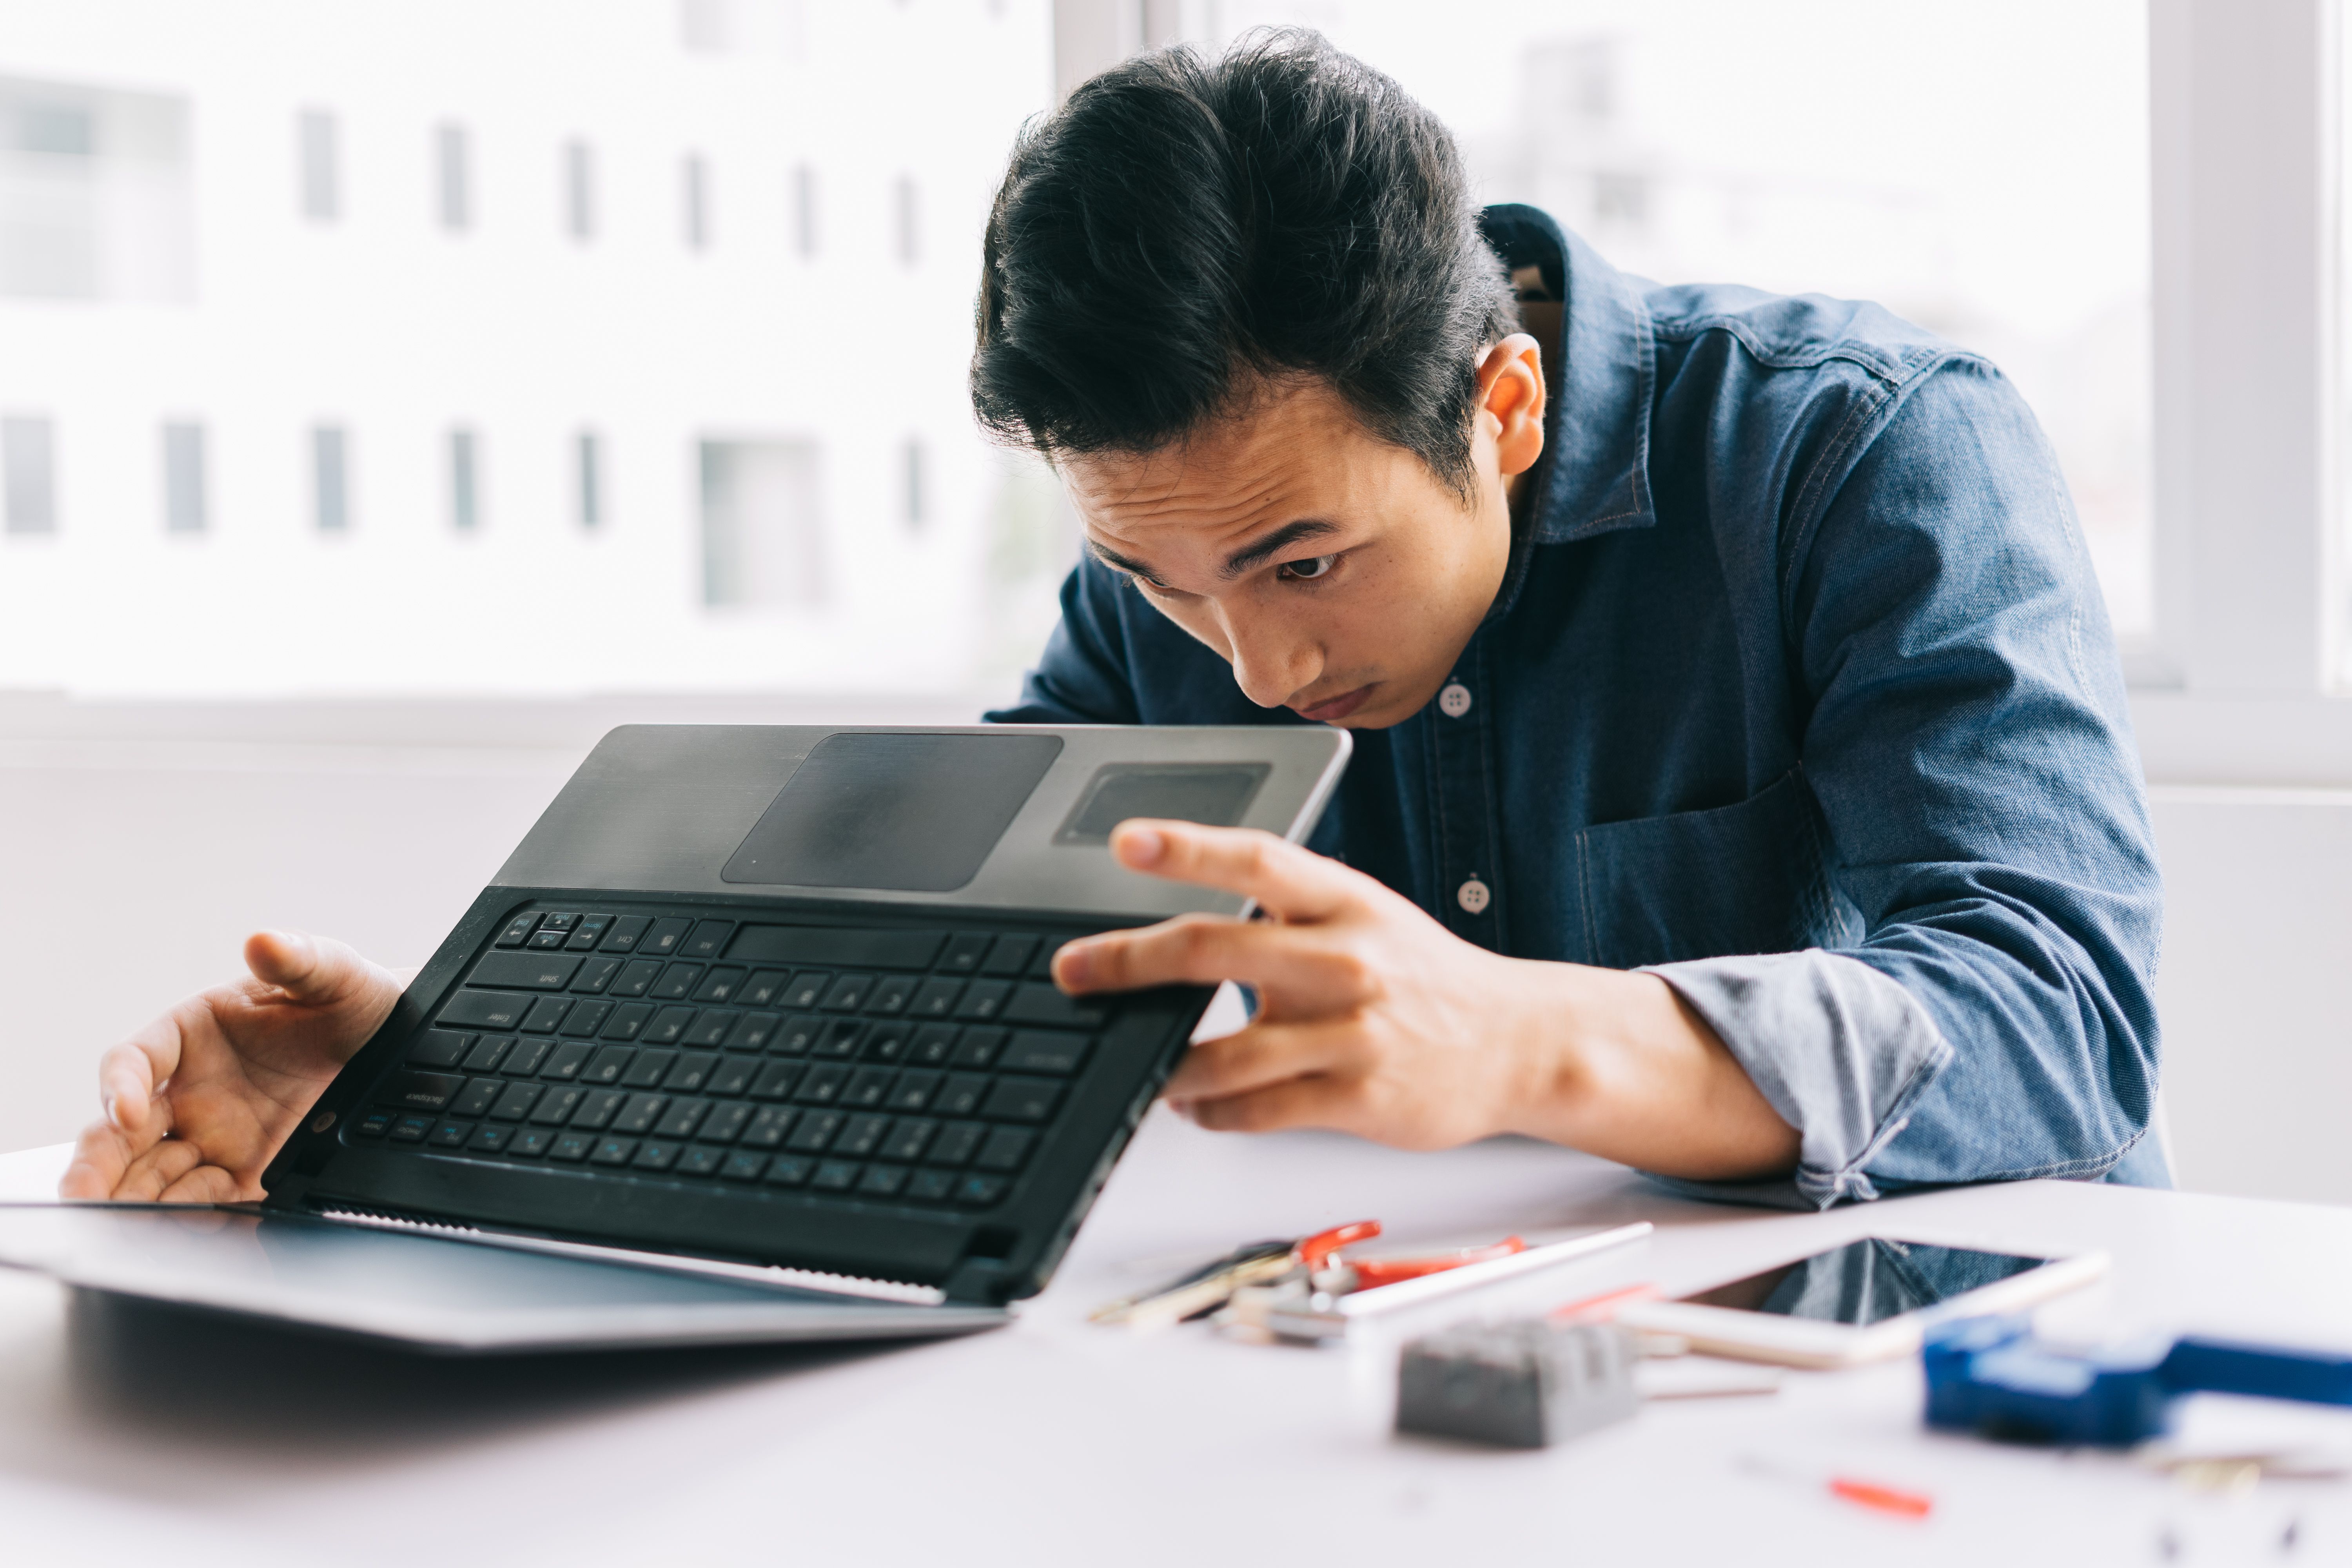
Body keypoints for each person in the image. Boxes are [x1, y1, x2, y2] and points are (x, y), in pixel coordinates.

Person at [62, 32, 2162, 1212]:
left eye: (1303, 564)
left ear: (1499, 406)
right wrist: (426, 1095)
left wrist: (1525, 1034)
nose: (1248, 669)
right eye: (1162, 584)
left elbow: (2060, 1019)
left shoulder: (1858, 454)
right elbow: (942, 983)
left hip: (1913, 1409)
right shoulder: (1170, 575)